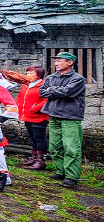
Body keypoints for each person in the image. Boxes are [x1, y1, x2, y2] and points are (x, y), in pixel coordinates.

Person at [39, 52, 86, 188]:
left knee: (71, 148)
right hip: (53, 115)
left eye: (60, 60)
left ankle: (71, 176)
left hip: (70, 117)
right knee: (54, 146)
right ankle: (61, 171)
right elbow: (42, 92)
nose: (56, 63)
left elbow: (68, 92)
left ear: (70, 62)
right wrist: (56, 90)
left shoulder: (77, 79)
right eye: (55, 61)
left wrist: (52, 90)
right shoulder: (51, 77)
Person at [2, 66, 48, 170]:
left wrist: (35, 108)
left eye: (31, 73)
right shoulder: (26, 84)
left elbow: (46, 100)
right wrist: (17, 107)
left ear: (39, 76)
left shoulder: (43, 85)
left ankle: (41, 161)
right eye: (27, 73)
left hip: (39, 116)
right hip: (27, 115)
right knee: (33, 138)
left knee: (39, 138)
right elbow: (20, 98)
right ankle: (33, 158)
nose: (28, 75)